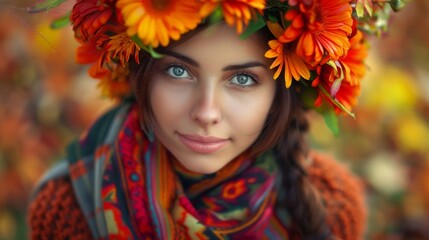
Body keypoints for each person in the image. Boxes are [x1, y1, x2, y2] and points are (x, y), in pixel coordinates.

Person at [27, 0, 405, 239]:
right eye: (178, 72)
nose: (206, 113)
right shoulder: (70, 210)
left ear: (280, 93)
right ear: (139, 72)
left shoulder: (329, 204)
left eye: (242, 79)